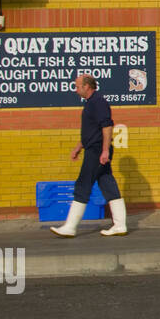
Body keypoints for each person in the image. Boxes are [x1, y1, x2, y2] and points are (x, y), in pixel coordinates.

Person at [50, 74, 128, 237]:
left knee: (83, 184)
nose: (76, 89)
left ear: (87, 86)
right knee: (107, 184)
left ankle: (70, 227)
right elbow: (91, 132)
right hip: (94, 148)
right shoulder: (91, 103)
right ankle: (120, 225)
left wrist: (105, 150)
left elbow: (106, 127)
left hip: (97, 150)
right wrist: (79, 146)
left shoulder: (98, 103)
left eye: (77, 86)